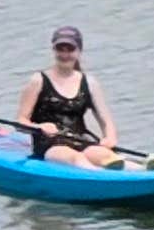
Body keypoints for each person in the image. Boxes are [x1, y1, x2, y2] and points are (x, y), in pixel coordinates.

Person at [16, 25, 122, 168]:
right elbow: (21, 122)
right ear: (54, 50)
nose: (65, 54)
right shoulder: (38, 81)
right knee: (75, 158)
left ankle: (143, 171)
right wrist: (39, 127)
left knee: (106, 157)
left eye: (70, 49)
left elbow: (106, 121)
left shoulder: (90, 83)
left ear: (79, 51)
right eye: (60, 49)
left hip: (81, 141)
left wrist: (110, 138)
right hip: (50, 145)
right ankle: (100, 176)